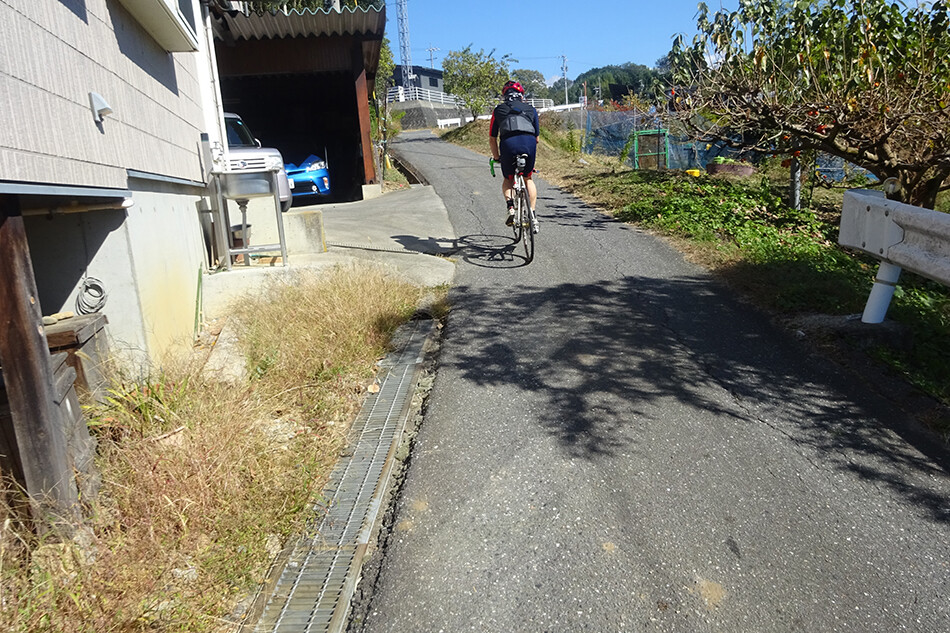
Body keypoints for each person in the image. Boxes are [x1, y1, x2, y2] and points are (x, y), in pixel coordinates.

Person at [489, 80, 540, 226]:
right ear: (521, 95)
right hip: (529, 144)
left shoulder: (498, 110)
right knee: (528, 178)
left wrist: (497, 157)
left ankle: (511, 208)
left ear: (505, 95)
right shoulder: (531, 109)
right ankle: (533, 215)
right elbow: (537, 138)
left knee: (508, 180)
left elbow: (492, 138)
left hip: (508, 145)